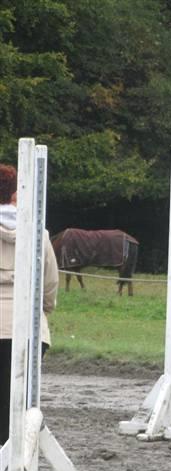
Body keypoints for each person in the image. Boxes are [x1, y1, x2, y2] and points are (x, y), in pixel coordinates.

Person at [0, 163, 59, 445]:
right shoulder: (39, 233)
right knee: (19, 402)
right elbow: (50, 283)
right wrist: (44, 312)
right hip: (28, 331)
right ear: (14, 196)